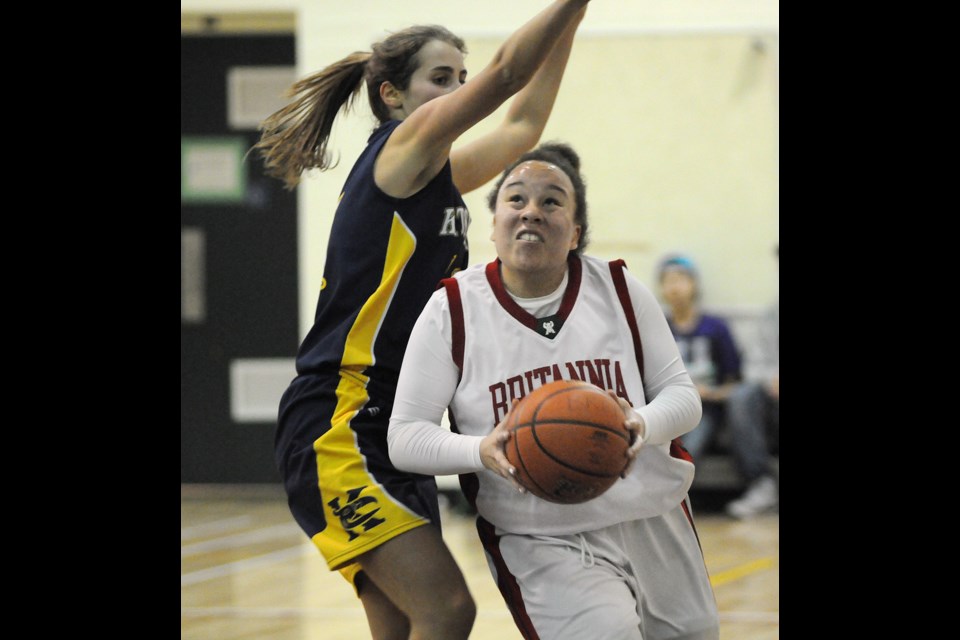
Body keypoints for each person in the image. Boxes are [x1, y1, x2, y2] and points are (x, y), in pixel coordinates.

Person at [255, 3, 590, 638]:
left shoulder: (439, 178)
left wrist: (577, 20)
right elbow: (510, 75)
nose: (458, 92)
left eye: (461, 78)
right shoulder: (399, 155)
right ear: (392, 96)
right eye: (442, 79)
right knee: (446, 609)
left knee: (403, 624)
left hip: (397, 427)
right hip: (341, 418)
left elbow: (522, 121)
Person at [388, 143, 720, 640]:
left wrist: (641, 425)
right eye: (515, 199)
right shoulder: (451, 310)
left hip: (655, 515)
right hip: (539, 534)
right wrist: (481, 449)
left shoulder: (619, 288)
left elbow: (682, 395)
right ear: (495, 221)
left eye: (551, 202)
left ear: (576, 231)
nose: (531, 212)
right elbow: (405, 437)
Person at [657, 254, 743, 462]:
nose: (675, 288)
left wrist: (710, 394)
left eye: (680, 280)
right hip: (669, 408)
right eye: (668, 282)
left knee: (686, 451)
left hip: (707, 410)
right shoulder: (658, 328)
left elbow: (735, 382)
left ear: (694, 285)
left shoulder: (716, 328)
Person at [724, 247, 779, 518]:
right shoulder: (772, 315)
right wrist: (770, 378)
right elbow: (754, 365)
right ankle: (762, 484)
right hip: (774, 404)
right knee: (742, 396)